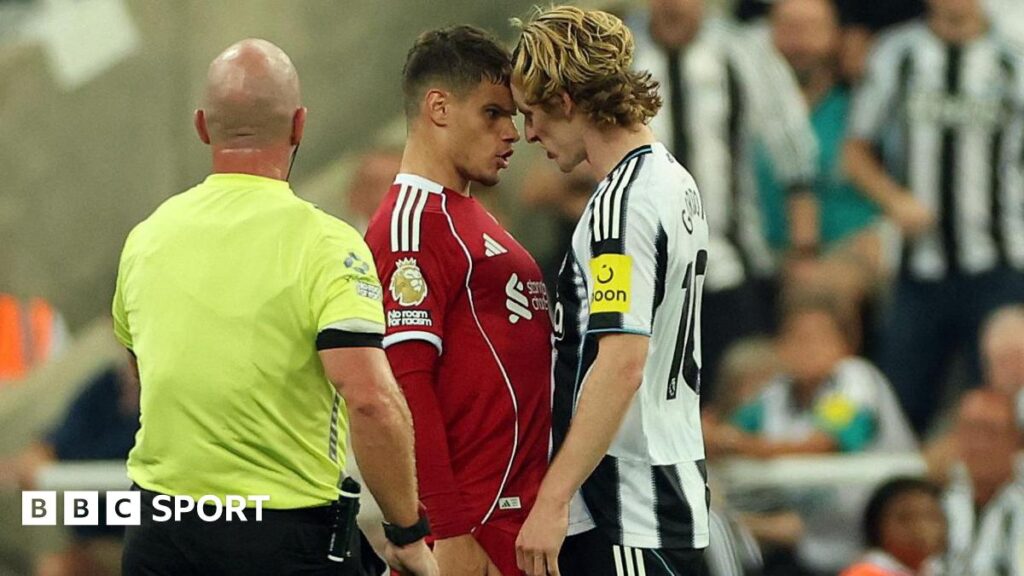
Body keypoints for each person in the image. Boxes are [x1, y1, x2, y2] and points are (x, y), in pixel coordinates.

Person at [111, 39, 436, 576]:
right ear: (299, 125)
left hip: (158, 534)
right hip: (284, 537)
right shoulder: (327, 245)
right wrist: (407, 533)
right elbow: (371, 401)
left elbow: (145, 375)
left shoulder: (145, 239)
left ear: (201, 126)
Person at [511, 6, 711, 574]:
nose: (529, 134)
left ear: (567, 101)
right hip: (669, 482)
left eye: (533, 114)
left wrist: (552, 501)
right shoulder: (673, 179)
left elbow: (622, 361)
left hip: (627, 505)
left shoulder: (620, 210)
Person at [364, 25, 552, 576]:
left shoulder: (470, 216)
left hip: (520, 525)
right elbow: (406, 385)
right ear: (439, 107)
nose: (512, 132)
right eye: (494, 113)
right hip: (476, 533)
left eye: (513, 116)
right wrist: (446, 532)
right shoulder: (412, 225)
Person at [845, 0, 1024, 436]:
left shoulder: (1013, 58)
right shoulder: (897, 53)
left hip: (999, 264)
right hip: (918, 270)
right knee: (901, 408)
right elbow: (855, 151)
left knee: (1004, 405)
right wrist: (894, 199)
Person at [631, 0, 820, 398]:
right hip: (641, 263)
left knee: (740, 394)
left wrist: (803, 253)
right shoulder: (619, 56)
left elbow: (795, 158)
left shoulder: (743, 54)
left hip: (729, 260)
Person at [710, 291, 916, 572]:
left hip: (878, 549)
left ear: (845, 344)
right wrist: (722, 436)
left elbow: (824, 443)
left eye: (817, 337)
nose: (805, 348)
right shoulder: (775, 393)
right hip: (810, 549)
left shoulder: (855, 377)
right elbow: (724, 433)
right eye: (795, 338)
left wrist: (741, 444)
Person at [762, 0, 883, 329]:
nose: (798, 43)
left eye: (811, 30)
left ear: (837, 36)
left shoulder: (860, 110)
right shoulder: (745, 107)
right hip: (760, 259)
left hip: (845, 252)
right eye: (787, 29)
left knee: (818, 293)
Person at [0, 359, 139, 576]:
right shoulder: (108, 385)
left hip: (146, 537)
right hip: (93, 537)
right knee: (55, 567)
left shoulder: (169, 399)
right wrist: (36, 459)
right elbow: (50, 446)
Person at [940, 389, 1024, 574]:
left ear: (1016, 439)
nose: (979, 443)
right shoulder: (937, 502)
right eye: (970, 429)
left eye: (991, 431)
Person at [841, 477, 946, 576]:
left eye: (932, 516)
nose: (921, 527)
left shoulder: (935, 570)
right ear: (877, 525)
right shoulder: (863, 573)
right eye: (906, 518)